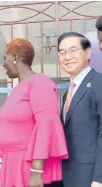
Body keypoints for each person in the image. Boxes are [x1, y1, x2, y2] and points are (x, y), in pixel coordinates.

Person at [0, 38, 69, 187]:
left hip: (32, 168)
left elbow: (46, 126)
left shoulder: (40, 82)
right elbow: (4, 129)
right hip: (14, 166)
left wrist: (37, 171)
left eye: (5, 58)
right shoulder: (18, 89)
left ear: (15, 57)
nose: (4, 63)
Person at [58, 32, 102, 187]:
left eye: (72, 50)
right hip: (70, 176)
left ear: (88, 52)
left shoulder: (99, 82)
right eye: (62, 52)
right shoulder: (68, 93)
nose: (67, 57)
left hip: (91, 178)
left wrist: (99, 179)